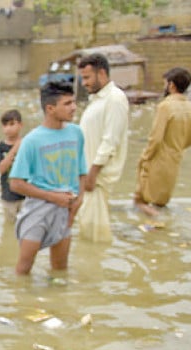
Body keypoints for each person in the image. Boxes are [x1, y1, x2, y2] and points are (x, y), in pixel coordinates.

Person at [10, 81, 87, 275]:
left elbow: (81, 171)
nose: (74, 108)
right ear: (50, 108)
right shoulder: (31, 141)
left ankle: (58, 305)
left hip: (66, 207)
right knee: (24, 269)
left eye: (74, 102)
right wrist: (53, 197)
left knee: (60, 270)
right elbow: (16, 183)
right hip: (38, 209)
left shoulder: (76, 133)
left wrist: (80, 199)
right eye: (67, 103)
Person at [76, 52, 129, 243]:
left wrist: (92, 173)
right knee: (87, 226)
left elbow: (110, 141)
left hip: (96, 179)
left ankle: (94, 267)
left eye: (87, 77)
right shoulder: (98, 100)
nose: (84, 83)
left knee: (95, 235)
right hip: (88, 176)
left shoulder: (115, 99)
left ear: (102, 74)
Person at [134, 67, 191, 216]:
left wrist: (145, 158)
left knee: (141, 200)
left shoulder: (165, 106)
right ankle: (160, 229)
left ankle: (157, 228)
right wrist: (177, 146)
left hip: (157, 160)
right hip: (175, 160)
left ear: (171, 85)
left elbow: (155, 139)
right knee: (161, 202)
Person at [0, 109, 25, 223]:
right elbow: (1, 169)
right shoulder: (0, 147)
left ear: (21, 125)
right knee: (10, 226)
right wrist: (15, 149)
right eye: (5, 125)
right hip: (8, 197)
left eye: (12, 124)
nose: (8, 128)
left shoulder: (27, 144)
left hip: (27, 195)